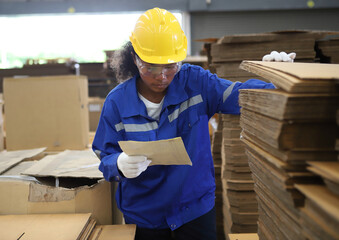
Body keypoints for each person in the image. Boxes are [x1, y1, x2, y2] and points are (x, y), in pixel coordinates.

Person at [92, 7, 295, 240]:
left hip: (194, 210)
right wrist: (117, 163)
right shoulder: (117, 102)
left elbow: (239, 96)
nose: (162, 76)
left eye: (170, 66)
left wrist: (276, 77)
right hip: (144, 216)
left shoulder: (196, 83)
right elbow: (103, 152)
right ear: (135, 59)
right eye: (151, 67)